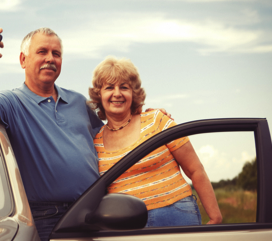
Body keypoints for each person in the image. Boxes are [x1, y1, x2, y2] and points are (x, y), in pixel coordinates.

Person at [0, 24, 104, 241]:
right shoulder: (12, 102)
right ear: (23, 60)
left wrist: (145, 116)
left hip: (92, 214)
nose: (50, 59)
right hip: (45, 218)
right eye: (42, 52)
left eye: (56, 54)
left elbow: (113, 134)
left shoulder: (79, 102)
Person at [89, 56, 222, 226]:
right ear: (99, 94)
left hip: (176, 214)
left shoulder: (156, 120)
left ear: (133, 93)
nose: (117, 93)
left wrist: (215, 217)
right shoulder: (95, 142)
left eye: (124, 87)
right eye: (109, 87)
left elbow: (195, 169)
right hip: (126, 224)